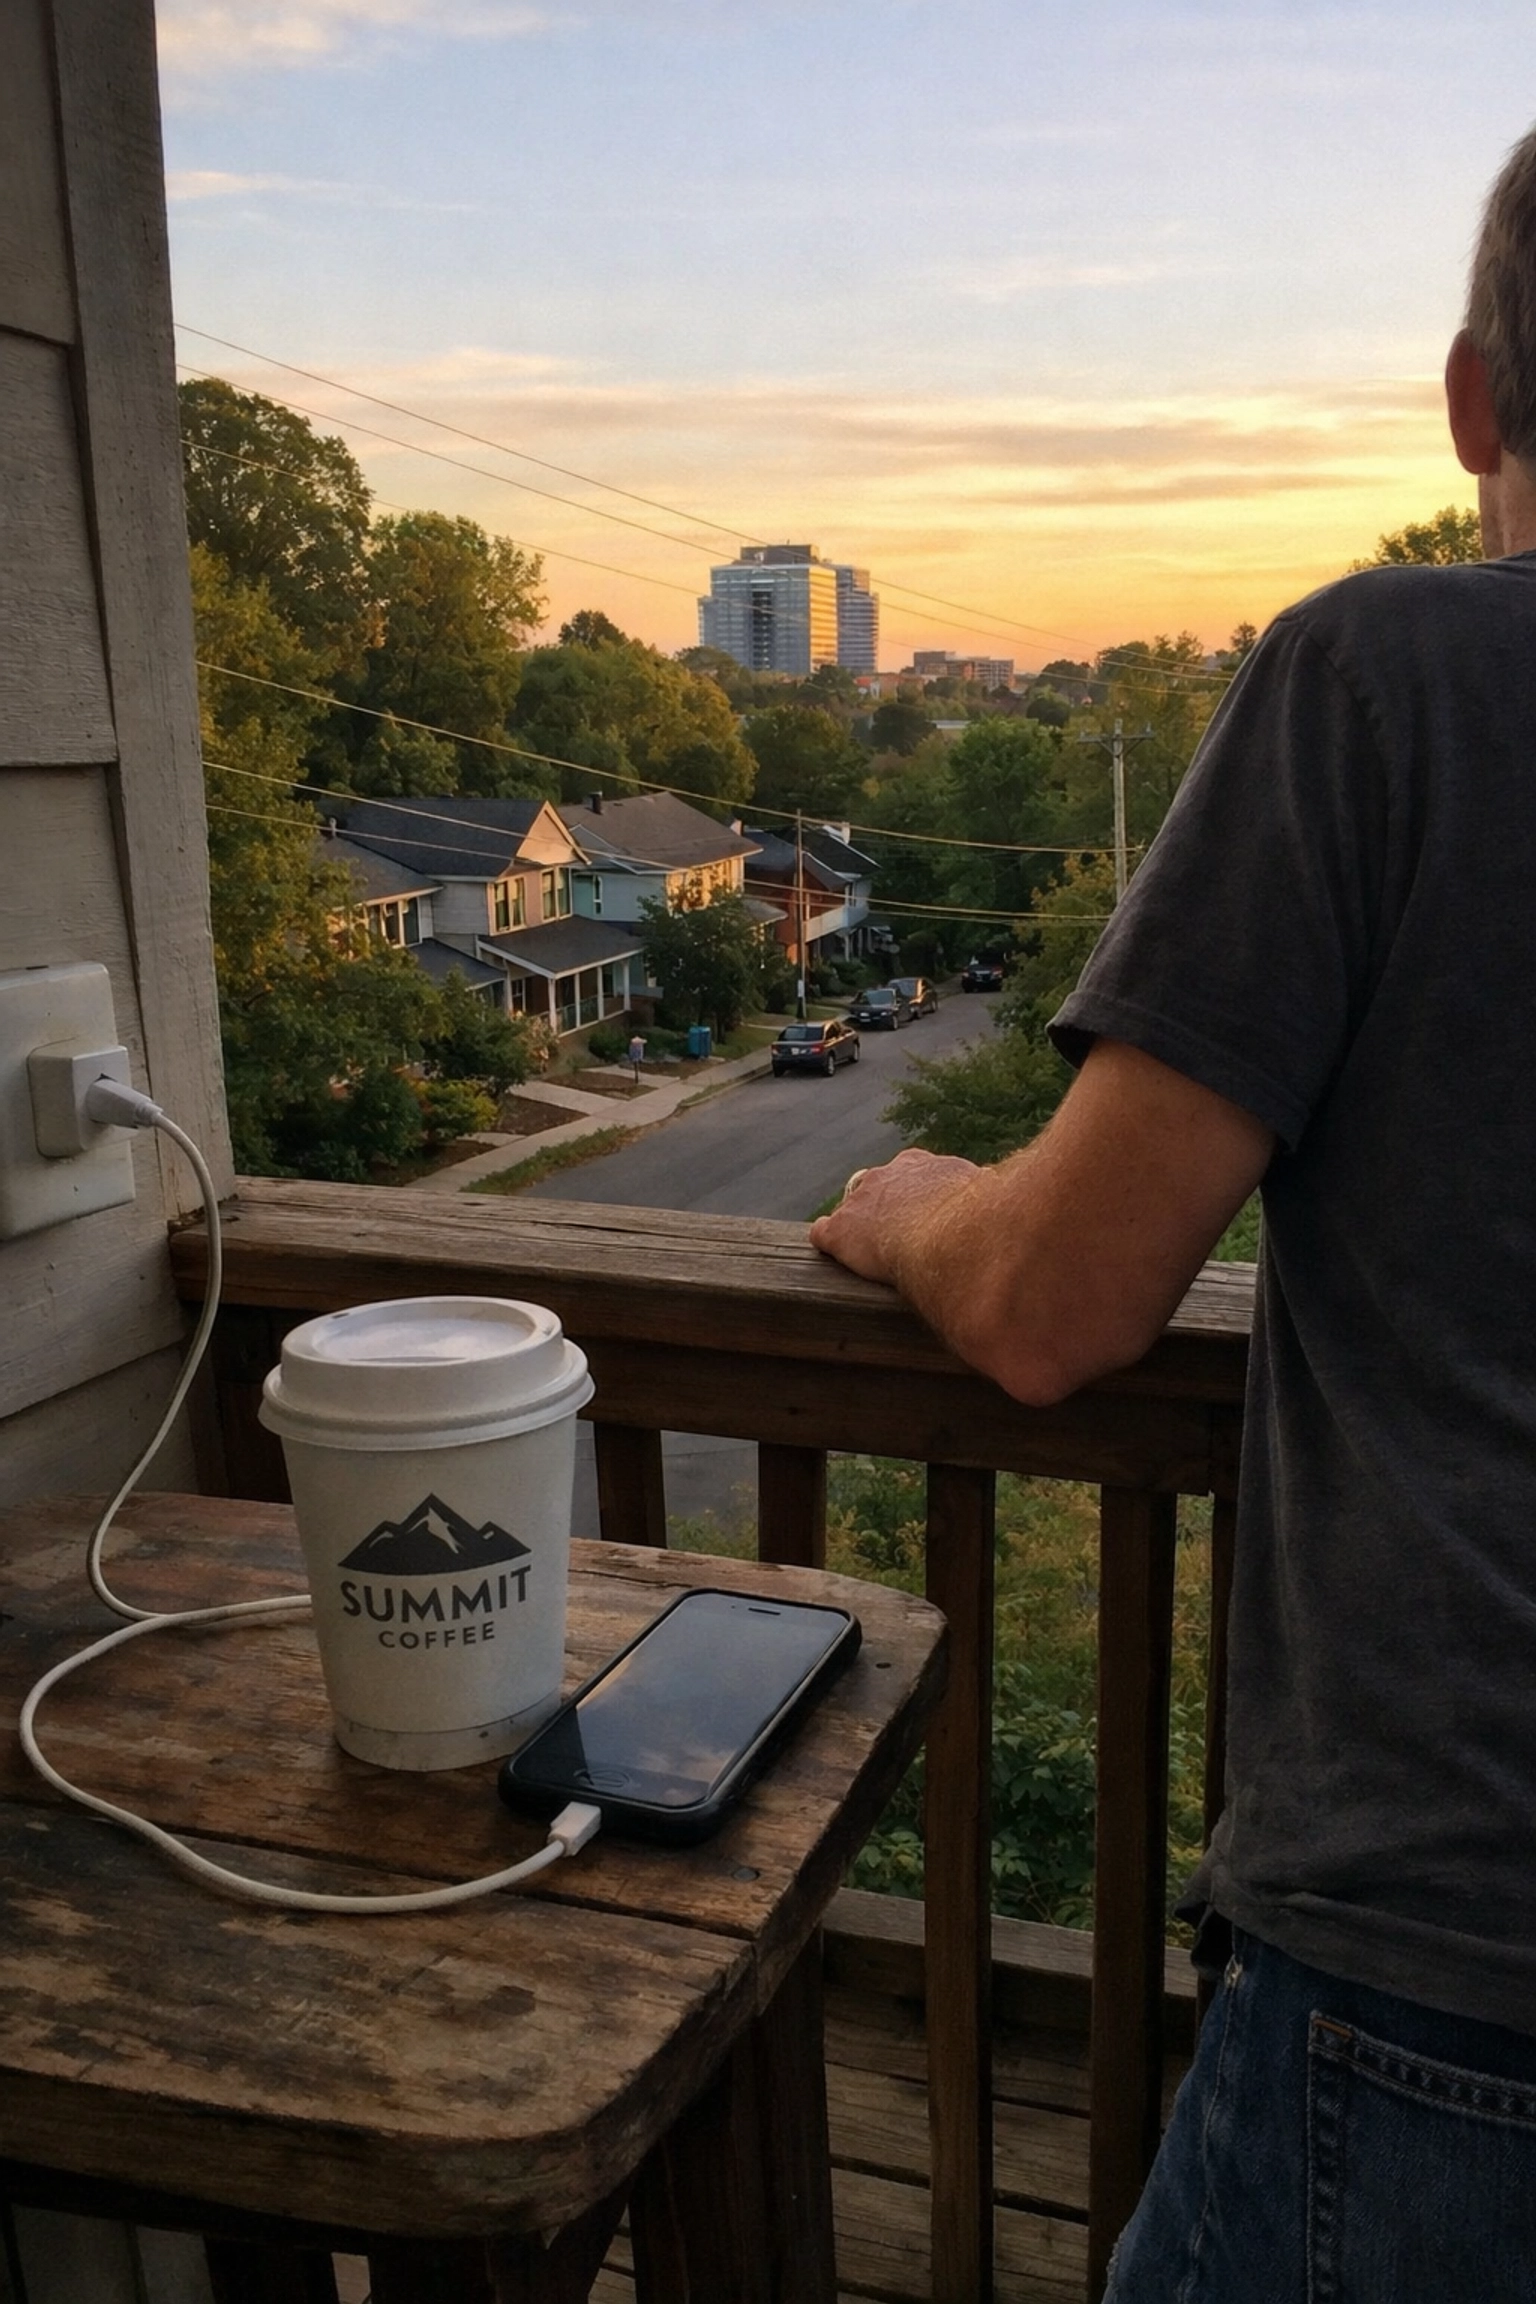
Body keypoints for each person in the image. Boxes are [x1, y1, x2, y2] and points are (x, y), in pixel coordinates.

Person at [812, 126, 1536, 2301]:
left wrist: (905, 1202)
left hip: (1453, 1962)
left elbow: (1053, 1312)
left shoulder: (1394, 687)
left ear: (1474, 400)